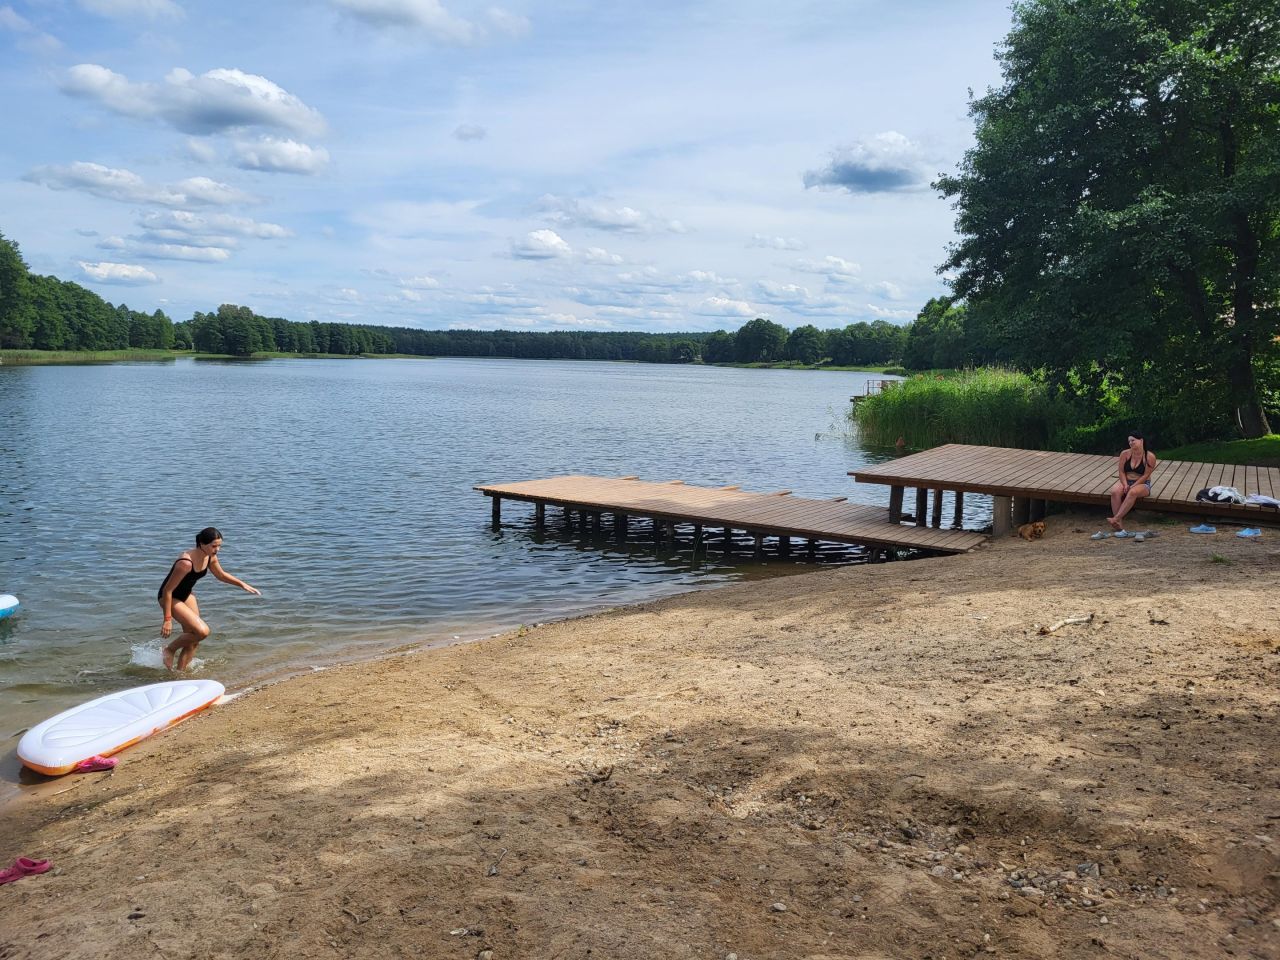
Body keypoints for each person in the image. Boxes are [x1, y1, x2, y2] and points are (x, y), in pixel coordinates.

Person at [157, 527, 259, 671]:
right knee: (202, 632)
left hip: (186, 595)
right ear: (201, 543)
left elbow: (221, 575)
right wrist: (167, 619)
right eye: (214, 546)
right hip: (169, 597)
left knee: (194, 640)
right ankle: (169, 650)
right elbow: (167, 590)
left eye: (219, 546)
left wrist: (242, 584)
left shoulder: (210, 556)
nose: (217, 550)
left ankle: (180, 674)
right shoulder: (185, 563)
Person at [1107, 432, 1157, 532]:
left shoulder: (1150, 456)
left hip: (1142, 484)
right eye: (1129, 441)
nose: (1130, 442)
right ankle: (1119, 524)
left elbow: (1146, 475)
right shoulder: (1124, 454)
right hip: (1126, 481)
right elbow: (1121, 471)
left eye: (1133, 440)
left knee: (1132, 492)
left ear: (1141, 440)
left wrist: (1133, 486)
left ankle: (1116, 518)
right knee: (1115, 491)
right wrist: (1125, 484)